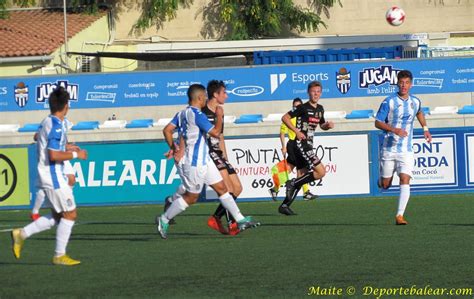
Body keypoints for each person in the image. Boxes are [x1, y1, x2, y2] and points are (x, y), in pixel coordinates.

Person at [156, 84, 259, 239]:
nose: (206, 98)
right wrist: (219, 116)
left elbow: (167, 130)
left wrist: (173, 146)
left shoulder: (182, 113)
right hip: (194, 163)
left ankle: (240, 219)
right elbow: (216, 133)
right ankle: (163, 219)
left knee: (222, 188)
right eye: (204, 96)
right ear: (198, 98)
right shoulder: (198, 115)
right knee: (191, 197)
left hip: (205, 160)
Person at [11, 87, 88, 266]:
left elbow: (41, 139)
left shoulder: (47, 121)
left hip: (48, 174)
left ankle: (21, 234)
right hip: (53, 175)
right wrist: (78, 155)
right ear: (66, 106)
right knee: (70, 214)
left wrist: (67, 147)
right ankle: (59, 255)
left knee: (58, 215)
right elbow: (53, 155)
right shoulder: (56, 126)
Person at [375, 70, 432, 225]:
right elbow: (377, 122)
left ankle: (399, 215)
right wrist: (394, 130)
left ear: (411, 84)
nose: (404, 86)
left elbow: (419, 112)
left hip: (406, 150)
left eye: (407, 83)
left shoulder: (415, 101)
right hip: (389, 148)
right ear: (397, 83)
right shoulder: (389, 102)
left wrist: (425, 129)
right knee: (385, 185)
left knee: (405, 179)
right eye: (401, 82)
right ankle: (381, 181)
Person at [279, 81, 334, 215]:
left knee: (302, 175)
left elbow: (321, 125)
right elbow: (284, 117)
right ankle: (292, 183)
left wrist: (327, 126)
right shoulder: (303, 107)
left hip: (309, 144)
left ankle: (285, 205)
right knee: (321, 172)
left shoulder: (320, 109)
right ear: (308, 92)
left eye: (318, 91)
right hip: (300, 144)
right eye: (313, 91)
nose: (316, 94)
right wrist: (296, 131)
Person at [202, 80, 243, 235]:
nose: (226, 96)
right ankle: (232, 224)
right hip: (208, 153)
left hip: (219, 153)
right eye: (224, 93)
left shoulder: (219, 111)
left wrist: (225, 156)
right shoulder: (202, 112)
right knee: (228, 189)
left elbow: (220, 135)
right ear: (215, 94)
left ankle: (216, 217)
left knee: (237, 188)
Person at [268, 98, 318, 201]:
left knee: (290, 168)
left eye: (299, 106)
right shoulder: (290, 118)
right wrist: (283, 147)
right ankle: (305, 192)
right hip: (292, 145)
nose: (297, 108)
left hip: (301, 146)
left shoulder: (304, 117)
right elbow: (282, 133)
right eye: (295, 106)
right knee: (302, 168)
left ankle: (275, 188)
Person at [30, 120, 79, 221]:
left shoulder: (64, 122)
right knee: (45, 187)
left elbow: (62, 141)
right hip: (52, 158)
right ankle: (35, 212)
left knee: (72, 178)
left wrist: (69, 146)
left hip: (62, 155)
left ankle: (65, 204)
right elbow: (35, 136)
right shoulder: (48, 122)